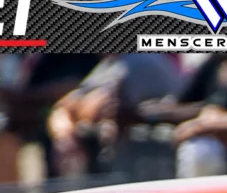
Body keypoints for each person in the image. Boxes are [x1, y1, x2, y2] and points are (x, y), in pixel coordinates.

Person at [46, 54, 183, 176]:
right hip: (117, 157)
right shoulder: (109, 63)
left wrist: (76, 111)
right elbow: (62, 107)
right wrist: (64, 135)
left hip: (147, 156)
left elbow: (96, 109)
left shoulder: (141, 60)